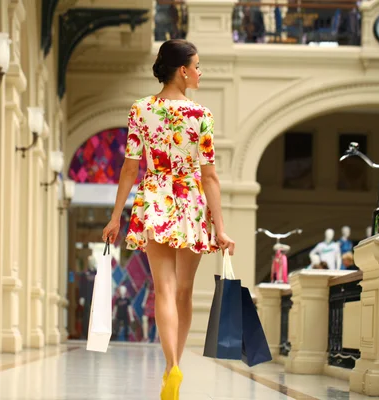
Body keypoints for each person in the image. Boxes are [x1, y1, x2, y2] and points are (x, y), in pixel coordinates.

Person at [102, 39, 235, 400]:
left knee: (163, 289)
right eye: (197, 65)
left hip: (156, 199)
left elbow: (130, 168)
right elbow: (209, 176)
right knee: (185, 290)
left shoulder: (140, 110)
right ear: (183, 71)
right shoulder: (201, 115)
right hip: (190, 202)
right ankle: (175, 364)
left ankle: (170, 366)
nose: (200, 72)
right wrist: (220, 228)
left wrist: (116, 217)